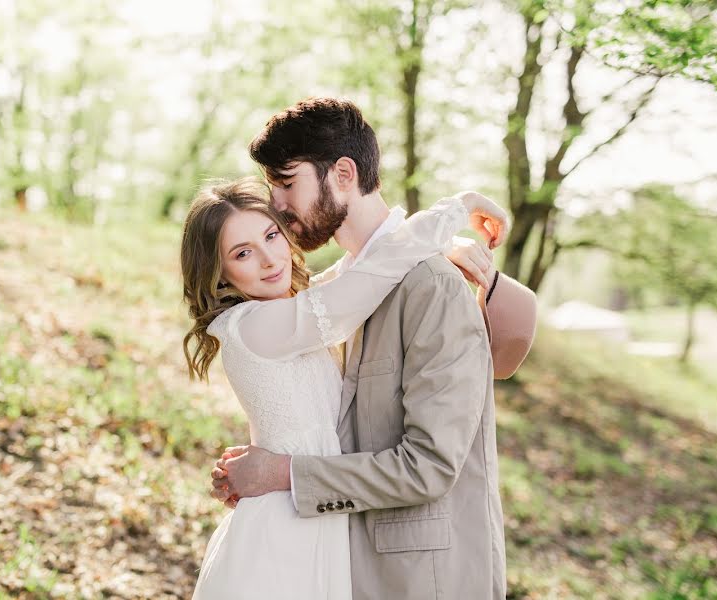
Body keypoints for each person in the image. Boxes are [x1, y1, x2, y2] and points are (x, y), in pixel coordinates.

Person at [208, 98, 538, 599]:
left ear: (342, 174)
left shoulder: (432, 285)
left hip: (423, 581)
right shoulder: (333, 296)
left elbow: (428, 466)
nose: (275, 204)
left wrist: (281, 473)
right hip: (339, 564)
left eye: (287, 183)